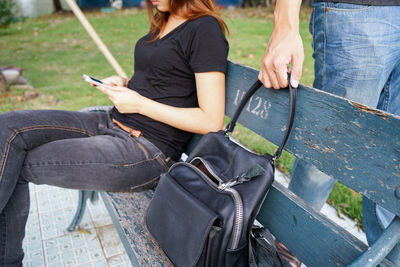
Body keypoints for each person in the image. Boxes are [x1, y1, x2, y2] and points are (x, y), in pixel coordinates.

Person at [0, 0, 229, 264]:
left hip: (145, 150)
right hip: (110, 122)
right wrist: (127, 84)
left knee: (15, 162)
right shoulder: (163, 20)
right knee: (7, 126)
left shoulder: (204, 28)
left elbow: (212, 122)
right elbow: (169, 81)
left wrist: (139, 103)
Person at [259, 0, 400, 264]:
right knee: (327, 149)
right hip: (359, 12)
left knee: (395, 166)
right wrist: (285, 23)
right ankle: (284, 252)